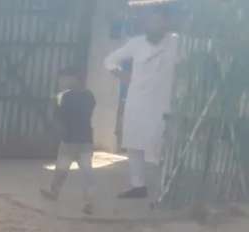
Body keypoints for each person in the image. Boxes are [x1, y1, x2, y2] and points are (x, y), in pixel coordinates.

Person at [104, 4, 179, 199]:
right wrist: (124, 76)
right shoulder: (135, 43)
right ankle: (138, 186)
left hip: (163, 103)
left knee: (160, 144)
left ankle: (165, 188)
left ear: (167, 23)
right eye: (150, 21)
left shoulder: (176, 43)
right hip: (137, 102)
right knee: (133, 143)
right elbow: (110, 61)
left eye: (158, 20)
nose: (153, 24)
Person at [41, 66, 97, 216]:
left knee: (63, 169)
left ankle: (56, 192)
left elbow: (57, 116)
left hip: (71, 140)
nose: (61, 81)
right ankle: (88, 202)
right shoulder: (88, 95)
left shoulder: (65, 96)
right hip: (83, 139)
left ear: (74, 78)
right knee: (84, 171)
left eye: (64, 78)